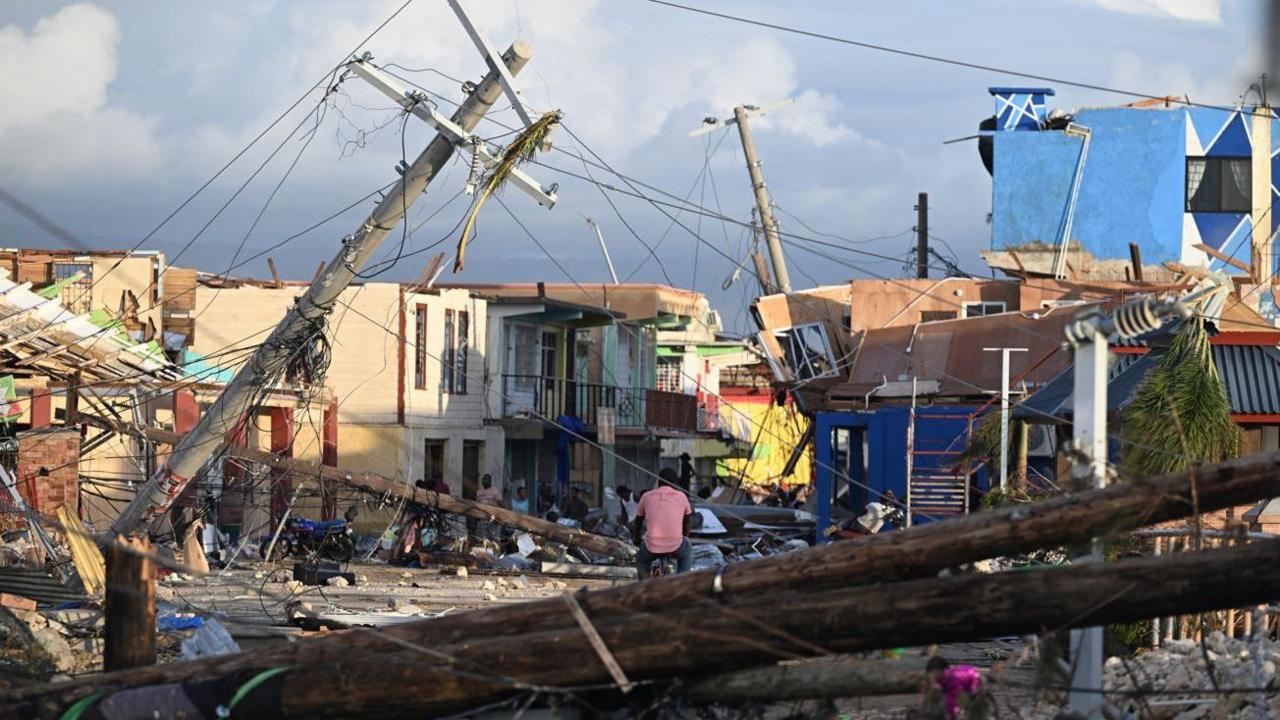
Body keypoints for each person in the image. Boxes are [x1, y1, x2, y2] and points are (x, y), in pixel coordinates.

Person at [632, 467, 692, 577]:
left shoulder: (646, 496)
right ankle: (682, 581)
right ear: (675, 483)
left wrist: (636, 539)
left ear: (658, 481)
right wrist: (684, 536)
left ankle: (643, 587)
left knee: (641, 561)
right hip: (676, 546)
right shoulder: (682, 496)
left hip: (652, 546)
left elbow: (638, 520)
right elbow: (687, 520)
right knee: (687, 548)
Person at [921, 656, 986, 719]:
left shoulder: (953, 680)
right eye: (931, 674)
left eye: (933, 673)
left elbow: (953, 700)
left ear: (941, 671)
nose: (931, 676)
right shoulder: (941, 677)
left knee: (972, 702)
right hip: (966, 675)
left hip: (972, 679)